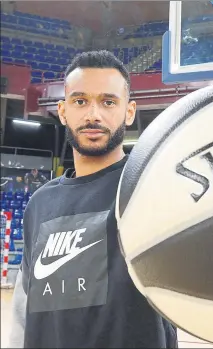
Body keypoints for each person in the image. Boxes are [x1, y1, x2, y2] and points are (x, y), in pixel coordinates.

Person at [9, 50, 178, 348]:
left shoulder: (154, 186)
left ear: (129, 111)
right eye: (80, 101)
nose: (93, 115)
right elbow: (24, 306)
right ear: (63, 111)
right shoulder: (39, 203)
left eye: (108, 102)